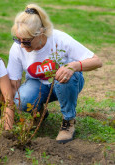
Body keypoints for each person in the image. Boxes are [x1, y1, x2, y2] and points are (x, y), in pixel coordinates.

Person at [7, 4, 103, 144]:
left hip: (66, 83)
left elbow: (97, 61)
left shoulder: (59, 39)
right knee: (21, 99)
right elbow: (13, 84)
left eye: (26, 42)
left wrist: (73, 66)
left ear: (40, 33)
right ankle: (38, 113)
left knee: (63, 77)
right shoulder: (18, 48)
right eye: (18, 39)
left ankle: (68, 122)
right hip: (38, 84)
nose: (21, 45)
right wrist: (10, 116)